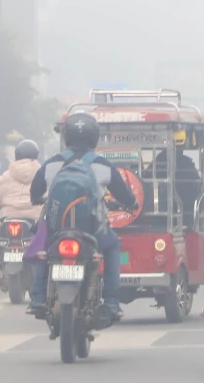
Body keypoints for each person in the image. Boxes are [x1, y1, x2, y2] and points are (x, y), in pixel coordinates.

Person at [28, 114, 139, 318]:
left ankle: (37, 298)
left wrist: (37, 198)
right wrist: (132, 204)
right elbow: (125, 195)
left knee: (44, 248)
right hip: (92, 231)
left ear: (67, 136)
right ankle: (112, 301)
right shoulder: (103, 165)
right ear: (94, 137)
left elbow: (35, 191)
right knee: (113, 245)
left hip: (57, 228)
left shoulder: (51, 163)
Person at [0, 139, 42, 221]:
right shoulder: (42, 176)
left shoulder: (7, 175)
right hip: (35, 217)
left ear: (17, 155)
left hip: (9, 216)